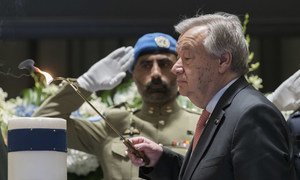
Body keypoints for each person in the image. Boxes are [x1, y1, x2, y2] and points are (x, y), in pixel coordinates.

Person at [127, 12, 296, 180]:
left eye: (186, 57)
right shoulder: (220, 109)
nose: (175, 68)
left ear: (222, 61)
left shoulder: (252, 115)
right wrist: (161, 160)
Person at [33, 32, 200, 180]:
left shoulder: (201, 126)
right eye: (146, 65)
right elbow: (41, 126)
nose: (155, 73)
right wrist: (85, 84)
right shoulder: (113, 126)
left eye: (164, 64)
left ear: (179, 70)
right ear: (133, 75)